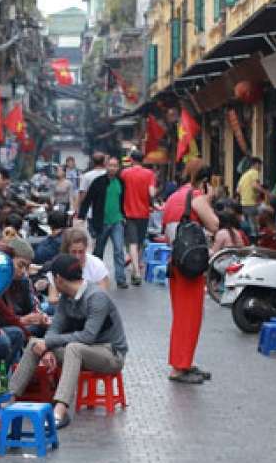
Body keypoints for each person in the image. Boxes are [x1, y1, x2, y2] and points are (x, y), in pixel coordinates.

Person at [8, 254, 128, 429]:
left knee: (73, 348)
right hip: (82, 351)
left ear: (58, 279)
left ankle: (59, 411)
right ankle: (9, 399)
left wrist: (49, 343)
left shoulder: (96, 297)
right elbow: (54, 328)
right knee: (35, 343)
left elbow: (87, 337)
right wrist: (46, 347)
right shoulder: (66, 298)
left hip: (110, 354)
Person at [162, 158, 219, 384]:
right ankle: (179, 367)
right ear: (204, 180)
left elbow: (168, 235)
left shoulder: (172, 198)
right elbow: (214, 224)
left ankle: (184, 362)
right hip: (190, 268)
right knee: (189, 317)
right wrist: (209, 199)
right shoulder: (195, 197)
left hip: (176, 263)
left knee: (182, 316)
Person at [78, 156, 127, 288]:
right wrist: (81, 215)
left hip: (117, 220)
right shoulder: (98, 182)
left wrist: (124, 215)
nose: (112, 168)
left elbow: (123, 200)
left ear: (118, 168)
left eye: (115, 166)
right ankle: (95, 276)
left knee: (119, 249)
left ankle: (120, 279)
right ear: (106, 166)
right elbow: (88, 199)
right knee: (98, 251)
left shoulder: (121, 182)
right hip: (101, 222)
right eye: (110, 165)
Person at [46, 228, 110, 306]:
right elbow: (52, 299)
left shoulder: (97, 265)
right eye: (74, 252)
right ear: (67, 249)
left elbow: (104, 296)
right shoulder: (59, 264)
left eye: (81, 252)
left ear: (86, 248)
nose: (77, 256)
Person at [120, 150, 157, 287]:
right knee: (140, 242)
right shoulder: (149, 173)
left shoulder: (125, 173)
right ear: (143, 160)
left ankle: (136, 271)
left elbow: (120, 191)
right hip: (144, 213)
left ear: (131, 160)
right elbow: (151, 193)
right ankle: (137, 266)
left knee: (132, 242)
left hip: (129, 213)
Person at [2, 239, 49, 337]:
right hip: (3, 325)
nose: (24, 271)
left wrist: (40, 317)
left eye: (27, 267)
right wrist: (20, 320)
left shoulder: (24, 281)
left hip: (21, 322)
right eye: (20, 265)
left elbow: (35, 306)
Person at [236, 157, 269, 231]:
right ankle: (254, 237)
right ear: (256, 164)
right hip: (251, 203)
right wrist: (266, 192)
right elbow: (255, 185)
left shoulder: (244, 175)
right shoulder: (254, 172)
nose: (260, 168)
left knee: (247, 226)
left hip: (243, 204)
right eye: (260, 166)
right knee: (253, 226)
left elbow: (238, 190)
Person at [77, 153, 106, 218]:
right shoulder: (108, 175)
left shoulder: (87, 176)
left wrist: (81, 209)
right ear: (103, 162)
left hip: (91, 212)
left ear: (92, 162)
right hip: (106, 211)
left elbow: (83, 195)